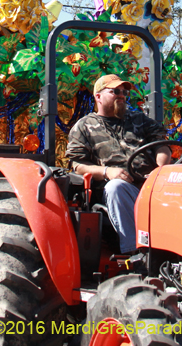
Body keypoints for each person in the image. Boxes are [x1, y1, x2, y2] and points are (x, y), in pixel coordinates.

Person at [66, 74, 169, 253]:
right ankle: (136, 252)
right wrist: (107, 172)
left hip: (152, 186)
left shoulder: (139, 120)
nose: (121, 95)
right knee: (116, 187)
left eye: (123, 92)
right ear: (98, 96)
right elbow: (78, 165)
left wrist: (161, 170)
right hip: (115, 191)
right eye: (115, 91)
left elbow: (162, 145)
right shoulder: (84, 127)